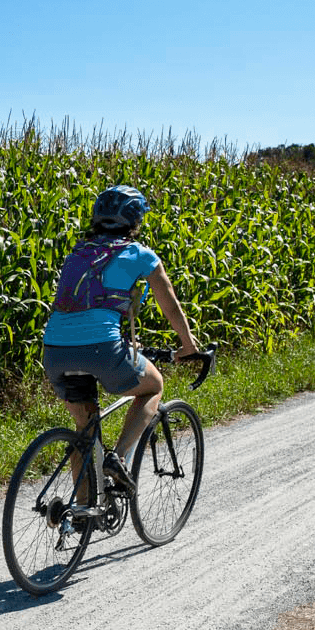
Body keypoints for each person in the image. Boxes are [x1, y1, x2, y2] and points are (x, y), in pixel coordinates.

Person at [41, 185, 202, 507]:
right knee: (153, 386)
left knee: (84, 432)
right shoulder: (140, 255)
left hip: (55, 350)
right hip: (102, 349)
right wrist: (188, 346)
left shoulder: (78, 252)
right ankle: (119, 457)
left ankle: (83, 510)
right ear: (135, 220)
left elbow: (85, 307)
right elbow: (170, 307)